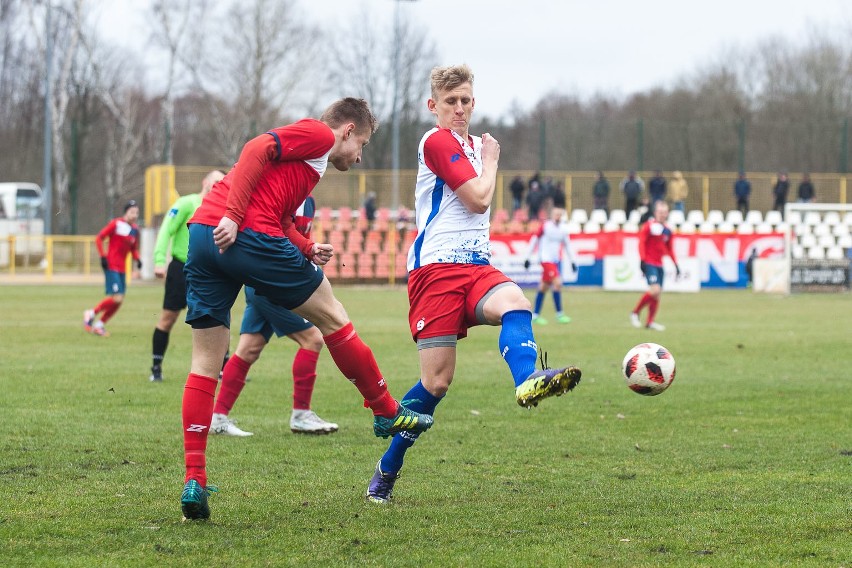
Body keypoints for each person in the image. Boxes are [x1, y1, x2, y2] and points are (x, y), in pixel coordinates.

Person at [178, 98, 433, 521]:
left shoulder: (307, 168)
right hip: (239, 232)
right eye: (362, 144)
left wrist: (307, 247)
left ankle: (194, 480)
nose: (359, 155)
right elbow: (256, 148)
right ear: (347, 131)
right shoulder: (319, 135)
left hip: (204, 238)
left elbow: (279, 220)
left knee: (205, 361)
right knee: (332, 318)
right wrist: (235, 216)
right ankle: (386, 411)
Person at [365, 64, 581, 505]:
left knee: (516, 302)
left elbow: (479, 203)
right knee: (436, 383)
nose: (459, 108)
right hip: (437, 271)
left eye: (466, 100)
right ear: (434, 106)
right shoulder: (436, 140)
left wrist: (486, 158)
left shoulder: (469, 146)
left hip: (476, 266)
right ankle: (386, 470)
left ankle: (527, 380)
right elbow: (479, 199)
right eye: (450, 101)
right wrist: (494, 159)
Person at [211, 195, 338, 437]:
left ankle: (218, 418)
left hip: (266, 282)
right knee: (312, 339)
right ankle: (301, 415)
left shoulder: (308, 198)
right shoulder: (285, 194)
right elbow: (273, 237)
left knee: (248, 349)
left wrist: (311, 252)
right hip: (273, 281)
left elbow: (299, 238)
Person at [149, 170, 226, 382]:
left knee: (218, 317)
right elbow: (166, 230)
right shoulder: (187, 203)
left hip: (211, 271)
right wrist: (158, 260)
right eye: (215, 181)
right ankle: (156, 368)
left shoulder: (223, 209)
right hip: (182, 268)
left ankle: (223, 369)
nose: (217, 185)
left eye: (222, 182)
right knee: (168, 318)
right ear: (205, 181)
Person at [83, 200, 141, 337]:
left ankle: (99, 325)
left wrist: (138, 259)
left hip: (122, 269)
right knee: (117, 298)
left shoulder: (135, 230)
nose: (135, 215)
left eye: (137, 213)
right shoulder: (116, 224)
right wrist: (102, 256)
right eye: (132, 212)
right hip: (111, 265)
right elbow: (99, 238)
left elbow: (133, 248)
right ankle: (91, 313)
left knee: (119, 300)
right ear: (126, 212)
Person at [630, 200, 680, 331]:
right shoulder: (649, 226)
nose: (662, 214)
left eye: (665, 212)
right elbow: (641, 243)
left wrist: (676, 265)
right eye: (660, 212)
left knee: (657, 295)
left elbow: (670, 249)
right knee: (655, 290)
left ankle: (650, 321)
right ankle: (635, 312)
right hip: (649, 263)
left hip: (660, 264)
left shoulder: (668, 230)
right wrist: (642, 260)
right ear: (655, 213)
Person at [523, 207, 577, 325]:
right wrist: (527, 257)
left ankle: (535, 315)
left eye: (560, 214)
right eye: (556, 214)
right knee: (557, 283)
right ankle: (560, 314)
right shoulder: (546, 226)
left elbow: (567, 245)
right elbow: (534, 240)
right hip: (545, 259)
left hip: (555, 260)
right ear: (552, 215)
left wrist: (573, 261)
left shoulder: (563, 229)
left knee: (543, 287)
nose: (558, 216)